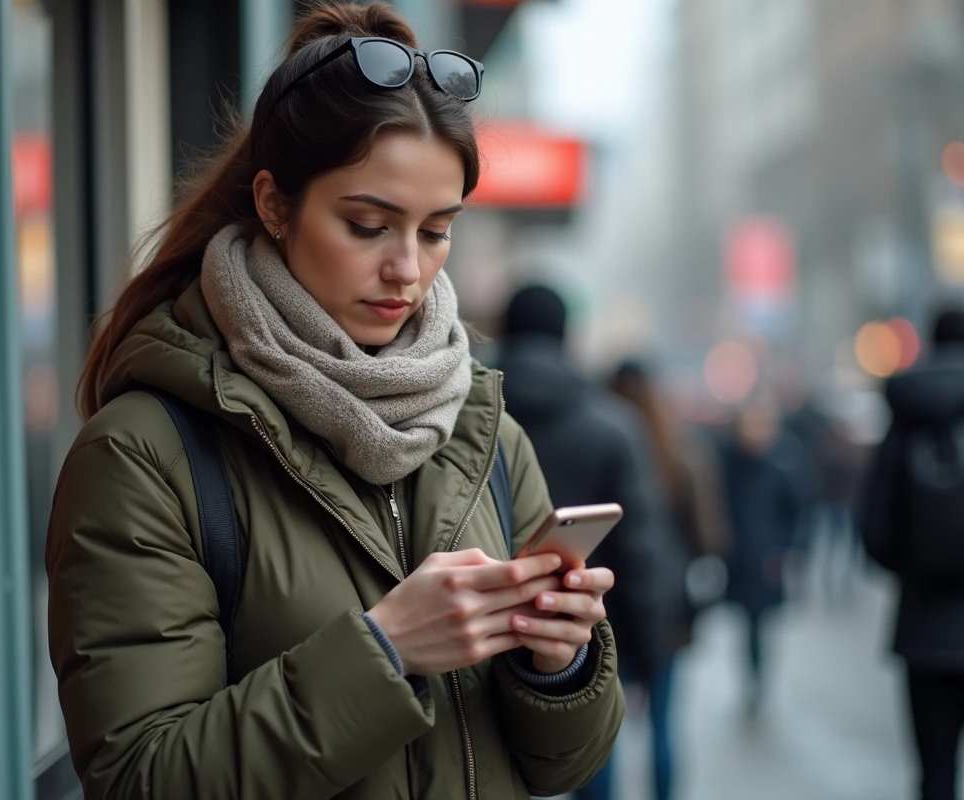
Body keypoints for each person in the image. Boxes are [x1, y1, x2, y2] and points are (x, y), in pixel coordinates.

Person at [45, 5, 623, 799]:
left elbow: (564, 764)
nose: (407, 270)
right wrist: (385, 652)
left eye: (435, 230)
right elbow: (141, 777)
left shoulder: (483, 429)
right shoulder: (144, 452)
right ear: (275, 205)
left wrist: (558, 663)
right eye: (368, 226)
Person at [496, 286, 676, 800]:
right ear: (566, 337)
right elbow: (641, 551)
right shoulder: (612, 428)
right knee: (590, 761)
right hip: (586, 637)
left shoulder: (463, 418)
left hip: (480, 635)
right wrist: (645, 651)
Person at [607, 359, 729, 800]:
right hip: (667, 602)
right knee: (663, 723)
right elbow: (709, 534)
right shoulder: (681, 450)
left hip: (605, 606)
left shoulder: (602, 441)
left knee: (601, 729)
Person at [862, 307, 964, 800]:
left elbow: (876, 527)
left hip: (924, 625)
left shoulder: (907, 413)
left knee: (934, 772)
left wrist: (916, 565)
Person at [719, 399, 807, 718]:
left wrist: (790, 551)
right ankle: (751, 679)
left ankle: (759, 681)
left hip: (769, 557)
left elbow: (797, 510)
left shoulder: (784, 461)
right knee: (746, 625)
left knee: (761, 626)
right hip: (740, 557)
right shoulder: (729, 461)